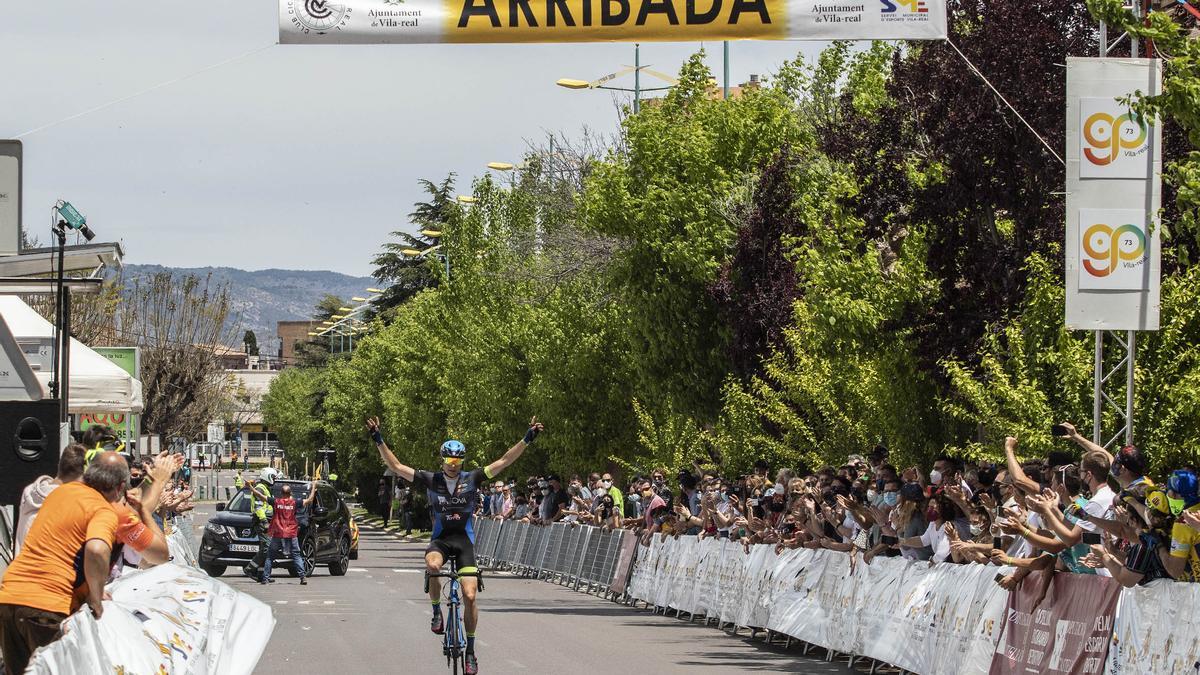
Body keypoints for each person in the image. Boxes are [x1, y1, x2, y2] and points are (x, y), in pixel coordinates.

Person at [367, 415, 543, 675]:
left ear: (462, 461)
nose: (452, 465)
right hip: (441, 539)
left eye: (457, 461)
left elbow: (505, 460)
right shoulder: (431, 479)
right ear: (442, 460)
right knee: (433, 565)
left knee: (470, 595)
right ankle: (437, 612)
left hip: (464, 541)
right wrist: (378, 439)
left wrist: (527, 438)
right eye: (449, 460)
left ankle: (470, 651)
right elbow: (396, 465)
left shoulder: (472, 478)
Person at [0, 452, 168, 675]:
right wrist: (95, 597)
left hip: (9, 598)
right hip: (48, 608)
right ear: (119, 488)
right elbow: (101, 551)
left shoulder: (59, 493)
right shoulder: (107, 510)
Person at [15, 444, 86, 554]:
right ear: (82, 475)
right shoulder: (69, 500)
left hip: (20, 567)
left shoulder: (29, 491)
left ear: (60, 465)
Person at [263, 481, 318, 585]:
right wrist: (314, 486)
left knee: (270, 556)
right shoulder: (295, 503)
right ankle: (302, 577)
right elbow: (310, 500)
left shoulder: (276, 502)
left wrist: (251, 487)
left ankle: (265, 578)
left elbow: (261, 496)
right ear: (290, 493)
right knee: (296, 555)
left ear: (281, 493)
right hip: (291, 533)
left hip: (278, 533)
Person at [244, 467, 278, 581]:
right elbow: (259, 507)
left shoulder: (266, 488)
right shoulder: (261, 489)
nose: (275, 479)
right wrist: (264, 522)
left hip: (267, 521)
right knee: (267, 548)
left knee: (265, 547)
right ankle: (250, 569)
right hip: (262, 521)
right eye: (273, 477)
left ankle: (262, 575)